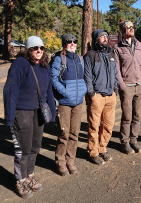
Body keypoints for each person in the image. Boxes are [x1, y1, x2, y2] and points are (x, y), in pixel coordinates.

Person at [3, 36, 56, 199]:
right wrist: (10, 117)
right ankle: (20, 180)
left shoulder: (45, 65)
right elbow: (10, 90)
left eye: (41, 47)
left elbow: (48, 91)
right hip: (22, 112)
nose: (39, 50)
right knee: (23, 149)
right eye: (35, 48)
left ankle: (30, 176)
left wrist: (52, 113)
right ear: (27, 50)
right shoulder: (20, 64)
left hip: (38, 112)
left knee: (35, 147)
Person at [51, 34, 87, 176]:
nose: (72, 44)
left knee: (74, 133)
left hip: (78, 103)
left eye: (74, 42)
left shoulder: (80, 59)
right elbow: (53, 79)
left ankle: (70, 161)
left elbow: (84, 77)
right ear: (64, 44)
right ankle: (60, 162)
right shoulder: (59, 59)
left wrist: (83, 90)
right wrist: (65, 92)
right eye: (69, 42)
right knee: (63, 133)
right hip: (65, 102)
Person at [114, 20, 141, 154]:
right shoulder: (117, 48)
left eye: (132, 27)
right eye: (128, 27)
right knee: (127, 116)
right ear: (123, 31)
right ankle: (125, 143)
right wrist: (121, 84)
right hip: (127, 86)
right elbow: (116, 68)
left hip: (139, 85)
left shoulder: (139, 45)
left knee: (137, 115)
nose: (131, 29)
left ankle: (134, 140)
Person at [84, 29, 119, 165]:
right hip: (96, 96)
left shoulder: (111, 54)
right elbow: (87, 75)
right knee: (94, 126)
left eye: (106, 36)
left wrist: (115, 88)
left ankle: (102, 148)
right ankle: (93, 152)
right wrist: (91, 93)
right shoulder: (90, 55)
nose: (105, 38)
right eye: (101, 37)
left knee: (108, 125)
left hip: (110, 95)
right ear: (95, 39)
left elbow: (115, 72)